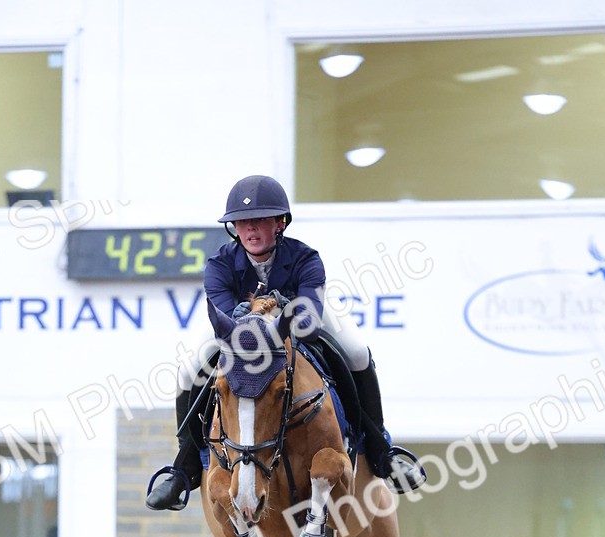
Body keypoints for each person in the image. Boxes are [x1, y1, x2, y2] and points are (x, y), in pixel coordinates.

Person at [146, 174, 425, 511]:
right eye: (243, 222)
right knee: (189, 369)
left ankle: (383, 450)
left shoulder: (306, 259)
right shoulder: (220, 264)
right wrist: (260, 310)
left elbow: (306, 322)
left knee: (355, 351)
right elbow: (224, 318)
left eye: (259, 221)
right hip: (240, 336)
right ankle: (185, 466)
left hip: (297, 323)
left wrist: (278, 308)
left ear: (279, 223)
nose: (250, 230)